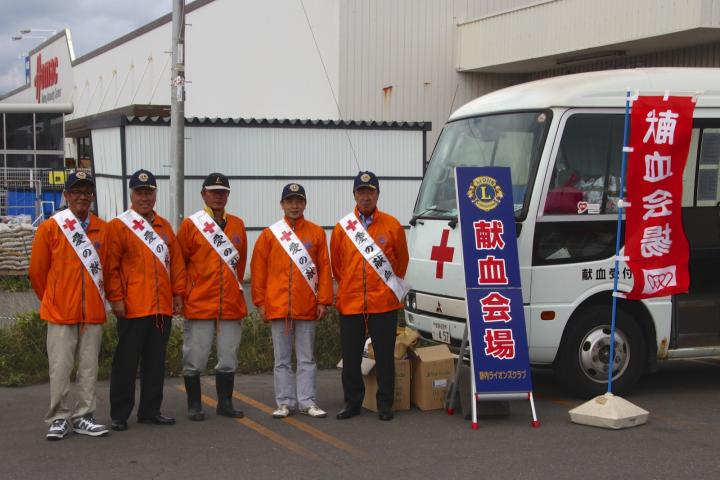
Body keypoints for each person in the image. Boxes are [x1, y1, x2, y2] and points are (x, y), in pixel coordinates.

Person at [29, 172, 110, 440]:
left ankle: (85, 415)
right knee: (61, 368)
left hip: (92, 313)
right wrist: (54, 298)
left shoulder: (103, 228)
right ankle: (59, 417)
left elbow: (108, 270)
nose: (82, 197)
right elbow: (38, 272)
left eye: (87, 192)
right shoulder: (51, 227)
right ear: (66, 195)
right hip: (60, 312)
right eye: (76, 192)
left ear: (92, 197)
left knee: (89, 368)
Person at [106, 169, 186, 431]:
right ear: (131, 194)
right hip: (132, 307)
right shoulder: (119, 226)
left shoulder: (164, 226)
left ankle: (151, 410)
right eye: (140, 193)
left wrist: (177, 294)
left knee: (155, 362)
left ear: (155, 194)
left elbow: (176, 264)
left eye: (149, 192)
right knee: (126, 363)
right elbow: (111, 267)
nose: (144, 197)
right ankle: (119, 413)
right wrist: (116, 299)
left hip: (161, 307)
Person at [330, 171, 409, 421]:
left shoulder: (392, 225)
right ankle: (352, 402)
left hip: (383, 302)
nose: (366, 197)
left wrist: (384, 288)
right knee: (351, 356)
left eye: (370, 192)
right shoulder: (343, 228)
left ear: (377, 194)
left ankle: (385, 403)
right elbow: (337, 266)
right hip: (351, 301)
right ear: (354, 194)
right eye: (361, 192)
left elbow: (401, 262)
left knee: (385, 355)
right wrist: (353, 285)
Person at [251, 183, 333, 419]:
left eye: (298, 201)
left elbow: (324, 269)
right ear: (282, 204)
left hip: (307, 305)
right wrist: (260, 302)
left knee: (307, 358)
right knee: (282, 360)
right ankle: (285, 402)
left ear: (305, 204)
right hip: (278, 307)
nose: (294, 206)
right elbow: (258, 270)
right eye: (289, 201)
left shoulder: (317, 233)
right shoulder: (269, 235)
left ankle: (308, 402)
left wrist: (323, 300)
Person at [176, 173, 247, 421]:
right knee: (195, 357)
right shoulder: (191, 225)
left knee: (228, 357)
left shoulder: (238, 224)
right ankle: (194, 404)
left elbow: (239, 263)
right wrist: (184, 294)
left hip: (229, 302)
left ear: (228, 195)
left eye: (223, 192)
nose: (218, 196)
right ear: (203, 194)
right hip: (199, 302)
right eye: (213, 191)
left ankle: (225, 403)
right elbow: (180, 263)